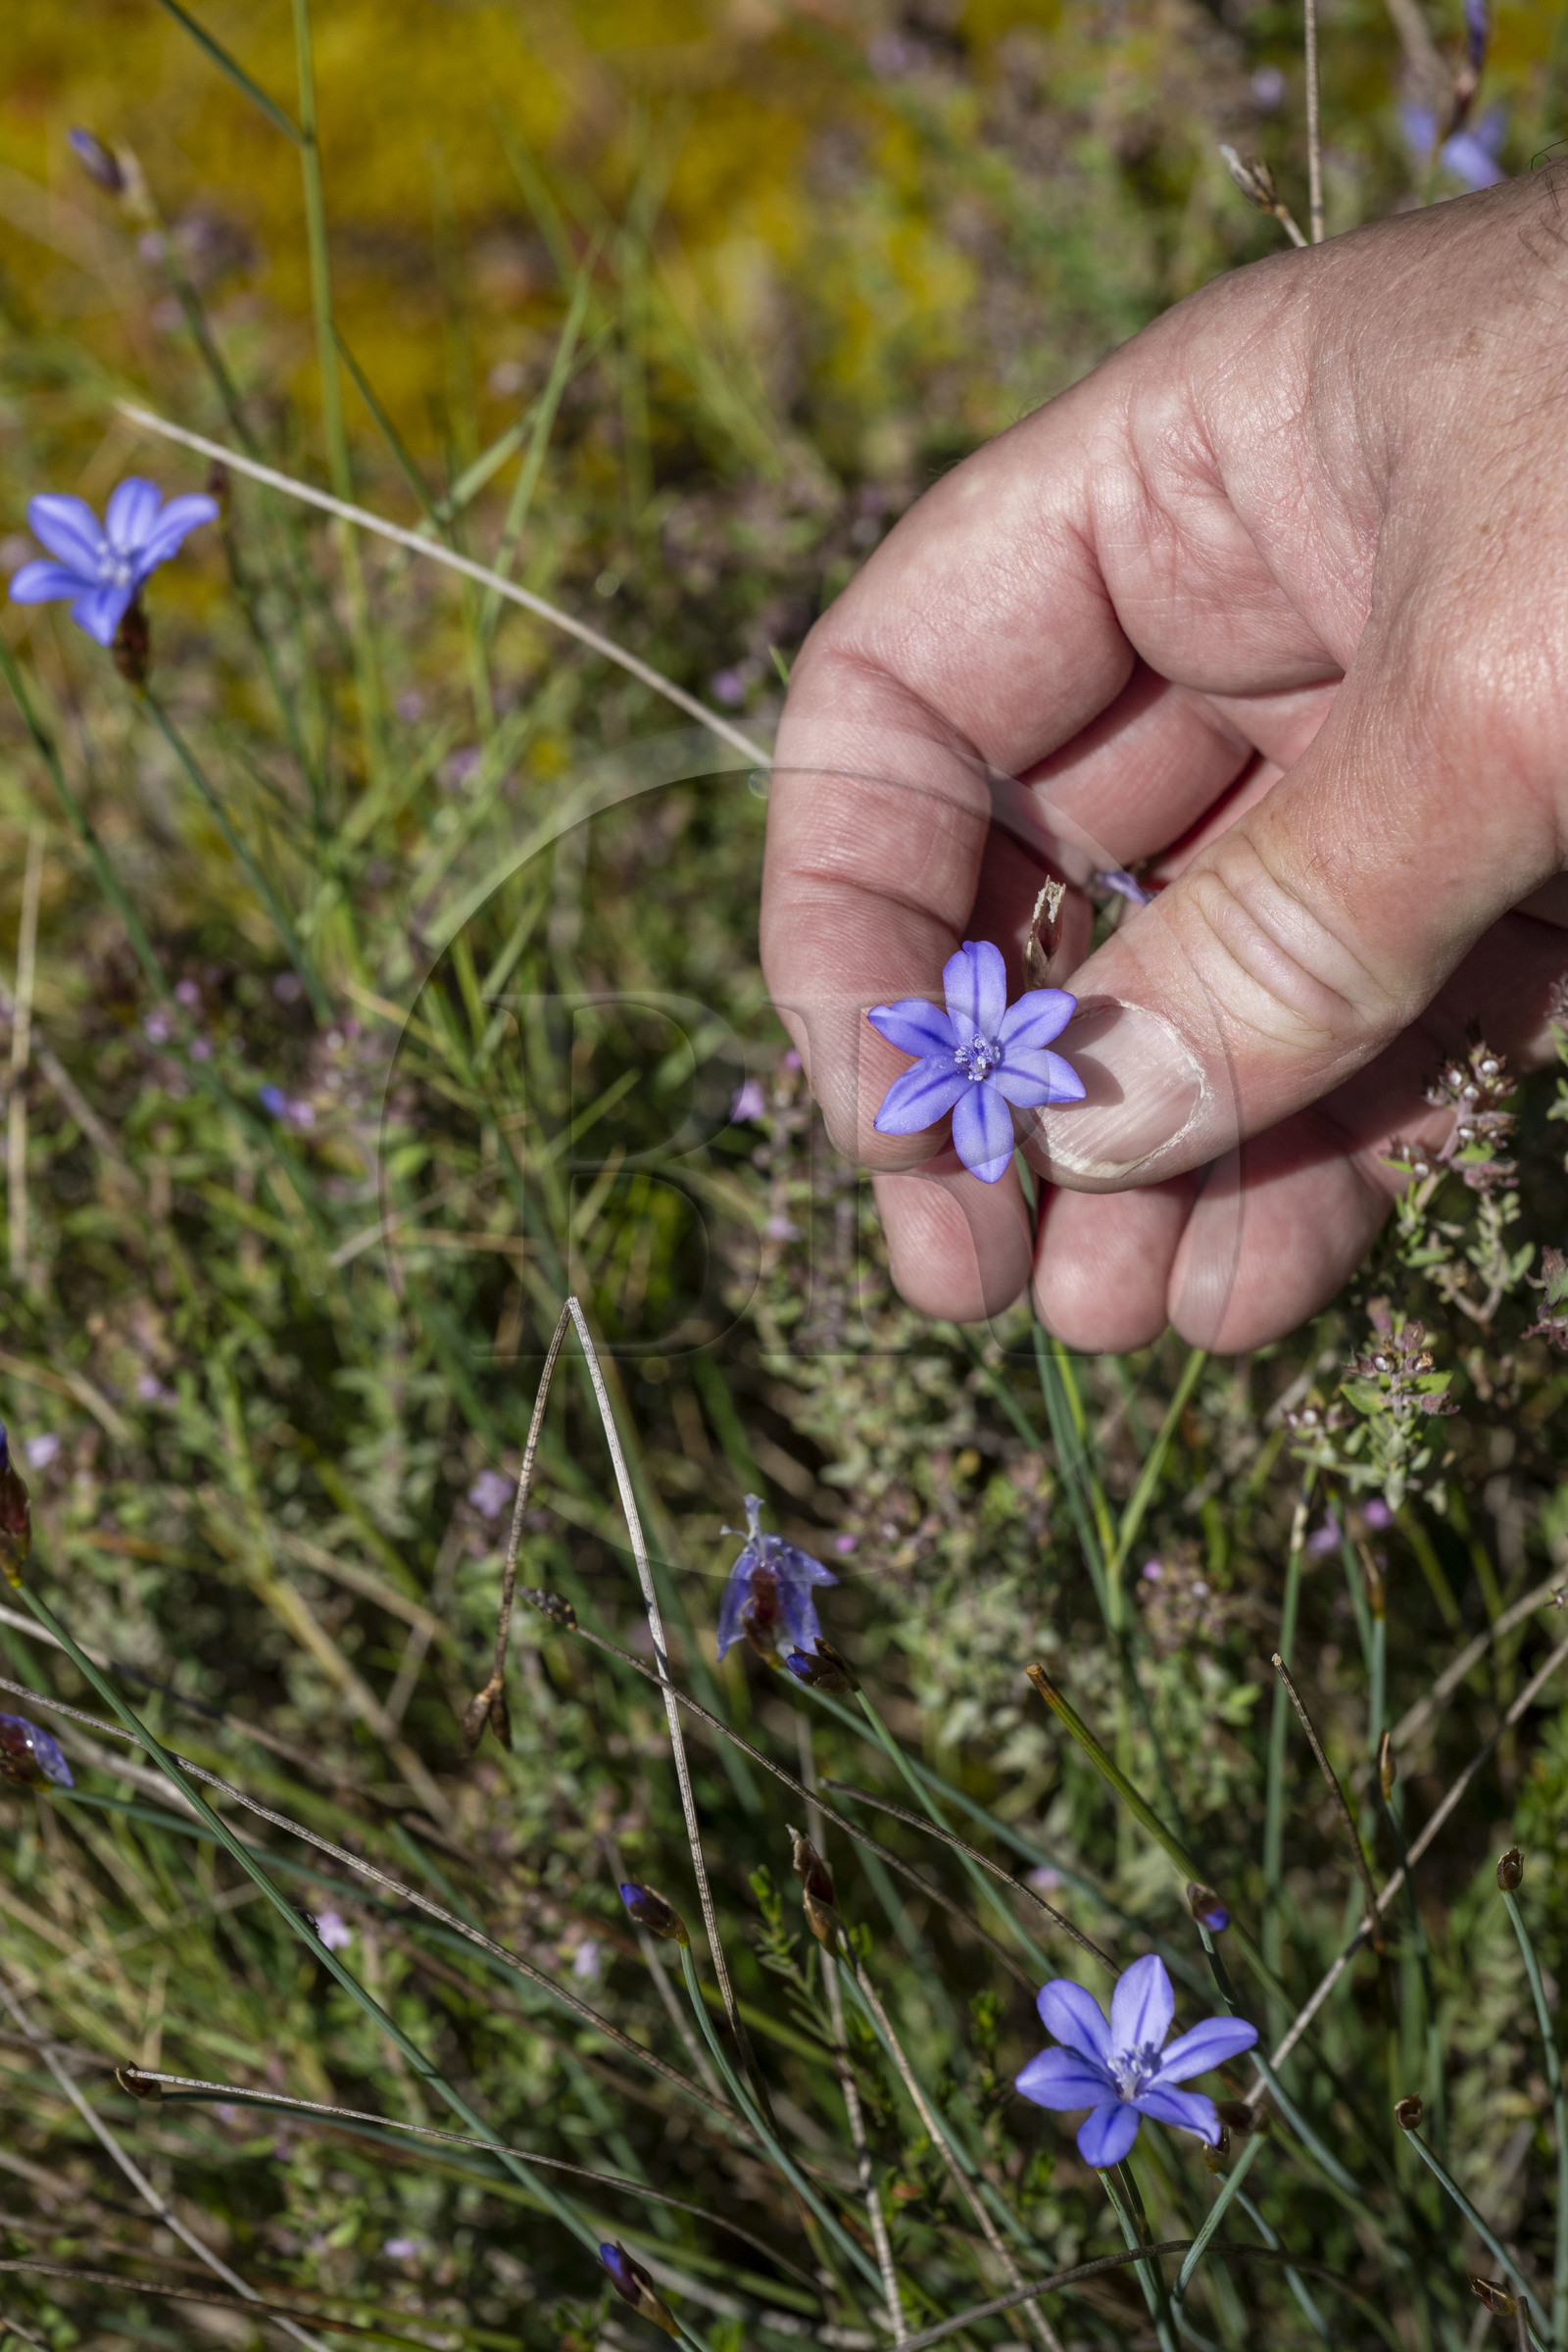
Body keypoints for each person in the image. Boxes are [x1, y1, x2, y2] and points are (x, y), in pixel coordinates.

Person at [760, 172, 1568, 1355]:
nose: (977, 1057)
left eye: (979, 1049)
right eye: (974, 1055)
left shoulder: (996, 1038)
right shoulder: (966, 1051)